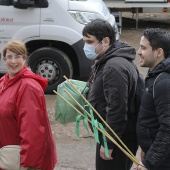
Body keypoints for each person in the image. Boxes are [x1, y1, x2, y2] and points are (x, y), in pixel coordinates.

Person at [82, 19, 138, 170]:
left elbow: (117, 108)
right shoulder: (110, 59)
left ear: (105, 41)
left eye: (90, 41)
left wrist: (109, 142)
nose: (85, 46)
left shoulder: (113, 67)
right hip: (114, 135)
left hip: (117, 138)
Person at [0, 40, 57, 170]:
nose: (13, 61)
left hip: (21, 159)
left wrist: (28, 164)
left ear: (25, 58)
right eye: (9, 57)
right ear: (4, 59)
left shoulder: (28, 87)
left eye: (17, 57)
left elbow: (32, 129)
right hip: (8, 155)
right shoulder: (4, 82)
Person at [135, 28, 170, 170]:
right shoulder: (155, 73)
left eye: (143, 48)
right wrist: (147, 148)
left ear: (159, 52)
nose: (138, 52)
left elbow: (168, 128)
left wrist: (150, 162)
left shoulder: (164, 82)